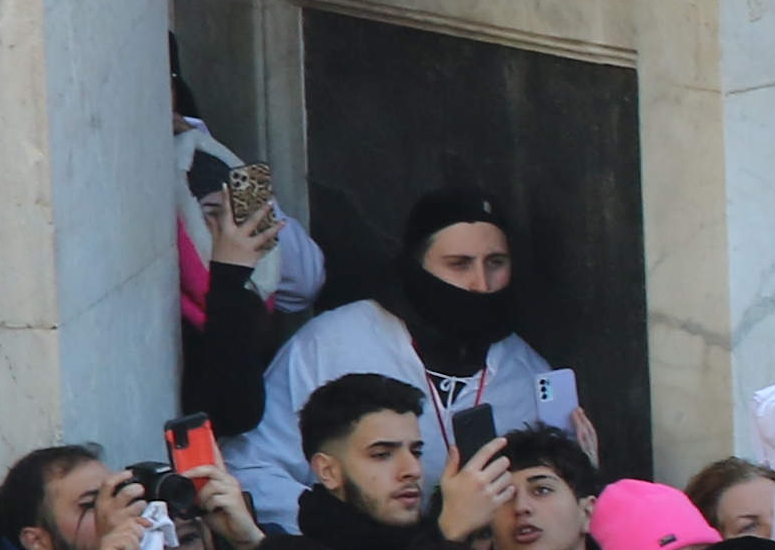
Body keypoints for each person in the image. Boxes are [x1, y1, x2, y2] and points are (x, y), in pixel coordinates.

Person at [237, 187, 555, 531]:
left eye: (495, 263)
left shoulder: (531, 373)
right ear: (417, 266)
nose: (480, 284)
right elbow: (251, 467)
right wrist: (346, 537)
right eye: (459, 264)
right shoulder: (331, 343)